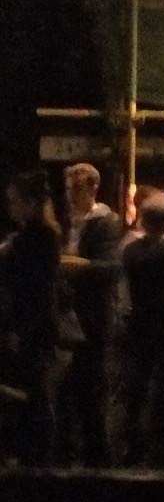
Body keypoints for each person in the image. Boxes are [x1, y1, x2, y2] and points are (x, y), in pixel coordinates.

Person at [58, 161, 122, 466]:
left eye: (77, 188)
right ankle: (74, 452)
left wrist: (75, 266)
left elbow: (110, 268)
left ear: (94, 188)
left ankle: (99, 458)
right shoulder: (69, 222)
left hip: (94, 316)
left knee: (92, 388)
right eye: (68, 189)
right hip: (70, 315)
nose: (71, 195)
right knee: (69, 389)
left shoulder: (105, 223)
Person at [0, 171, 62, 466]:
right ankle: (33, 454)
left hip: (31, 324)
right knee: (30, 389)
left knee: (33, 391)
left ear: (30, 203)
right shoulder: (32, 235)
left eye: (15, 201)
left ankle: (36, 456)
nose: (10, 208)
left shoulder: (37, 237)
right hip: (31, 323)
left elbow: (34, 289)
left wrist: (20, 329)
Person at [118, 190, 164, 466]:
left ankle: (133, 444)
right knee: (161, 386)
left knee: (135, 388)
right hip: (163, 325)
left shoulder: (131, 251)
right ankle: (159, 443)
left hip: (137, 322)